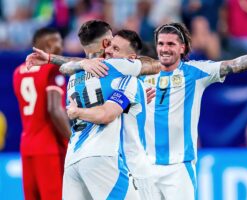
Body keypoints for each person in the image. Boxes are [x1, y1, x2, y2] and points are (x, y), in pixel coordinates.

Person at [140, 22, 247, 200]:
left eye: (170, 44)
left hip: (178, 168)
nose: (164, 49)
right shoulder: (143, 73)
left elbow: (234, 65)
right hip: (146, 166)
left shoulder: (195, 72)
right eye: (161, 43)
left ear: (182, 48)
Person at [25, 20, 161, 200]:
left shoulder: (73, 76)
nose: (112, 48)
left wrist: (55, 59)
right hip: (101, 155)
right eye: (111, 42)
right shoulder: (117, 67)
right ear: (105, 43)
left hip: (73, 160)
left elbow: (73, 71)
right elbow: (155, 65)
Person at [66, 29, 156, 200]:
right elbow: (108, 110)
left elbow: (108, 112)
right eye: (109, 46)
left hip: (132, 170)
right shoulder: (110, 80)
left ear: (131, 60)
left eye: (116, 49)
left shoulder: (129, 82)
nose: (108, 51)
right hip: (113, 162)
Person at [13, 27, 71, 200]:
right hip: (50, 148)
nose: (61, 46)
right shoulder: (52, 70)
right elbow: (54, 109)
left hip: (27, 146)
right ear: (48, 44)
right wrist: (72, 140)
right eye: (58, 41)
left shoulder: (17, 72)